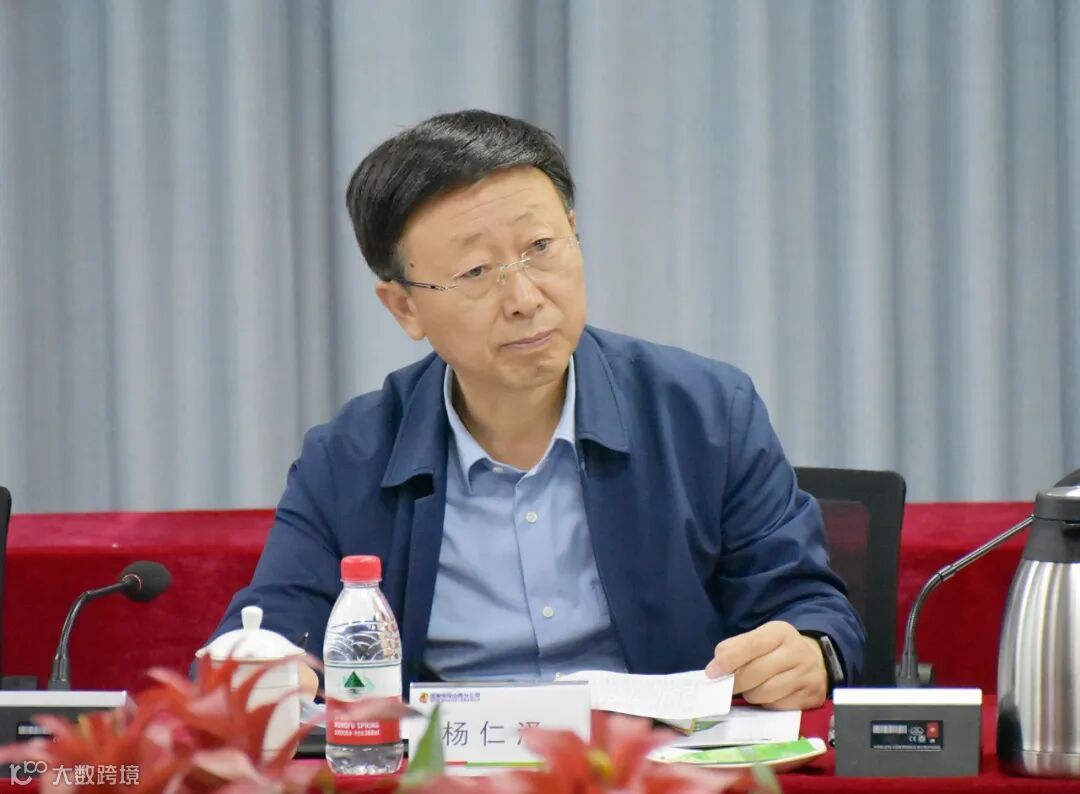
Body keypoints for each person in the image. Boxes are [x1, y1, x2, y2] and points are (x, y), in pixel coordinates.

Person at [205, 109, 865, 711]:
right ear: (405, 306)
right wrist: (263, 671)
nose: (524, 297)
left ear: (574, 235)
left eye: (541, 248)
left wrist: (809, 651)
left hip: (654, 770)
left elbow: (809, 607)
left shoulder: (706, 414)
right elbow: (270, 630)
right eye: (476, 272)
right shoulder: (348, 458)